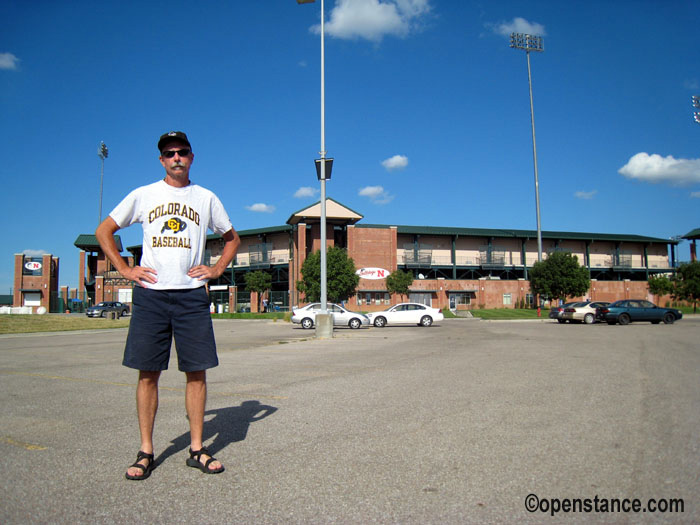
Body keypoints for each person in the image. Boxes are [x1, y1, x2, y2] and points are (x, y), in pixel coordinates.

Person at [96, 131, 240, 480]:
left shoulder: (205, 198)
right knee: (148, 374)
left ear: (192, 157)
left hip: (192, 294)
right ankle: (146, 450)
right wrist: (125, 269)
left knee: (197, 372)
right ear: (161, 160)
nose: (177, 157)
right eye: (170, 153)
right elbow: (105, 230)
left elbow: (232, 238)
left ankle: (196, 448)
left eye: (183, 152)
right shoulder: (144, 195)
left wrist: (217, 269)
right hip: (152, 294)